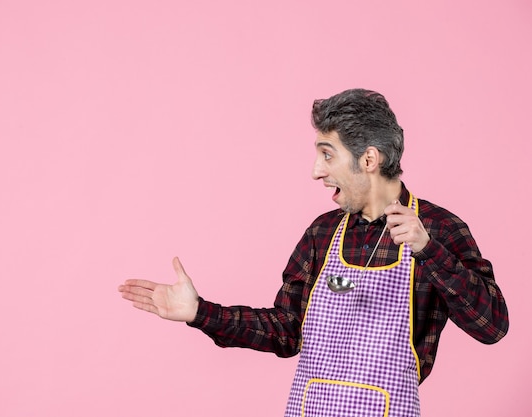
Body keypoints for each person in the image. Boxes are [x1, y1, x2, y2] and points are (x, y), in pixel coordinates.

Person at [118, 88, 509, 417]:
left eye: (327, 155)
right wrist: (200, 312)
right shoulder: (322, 233)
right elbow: (286, 331)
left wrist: (429, 251)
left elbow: (491, 326)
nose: (316, 172)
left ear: (369, 160)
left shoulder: (439, 230)